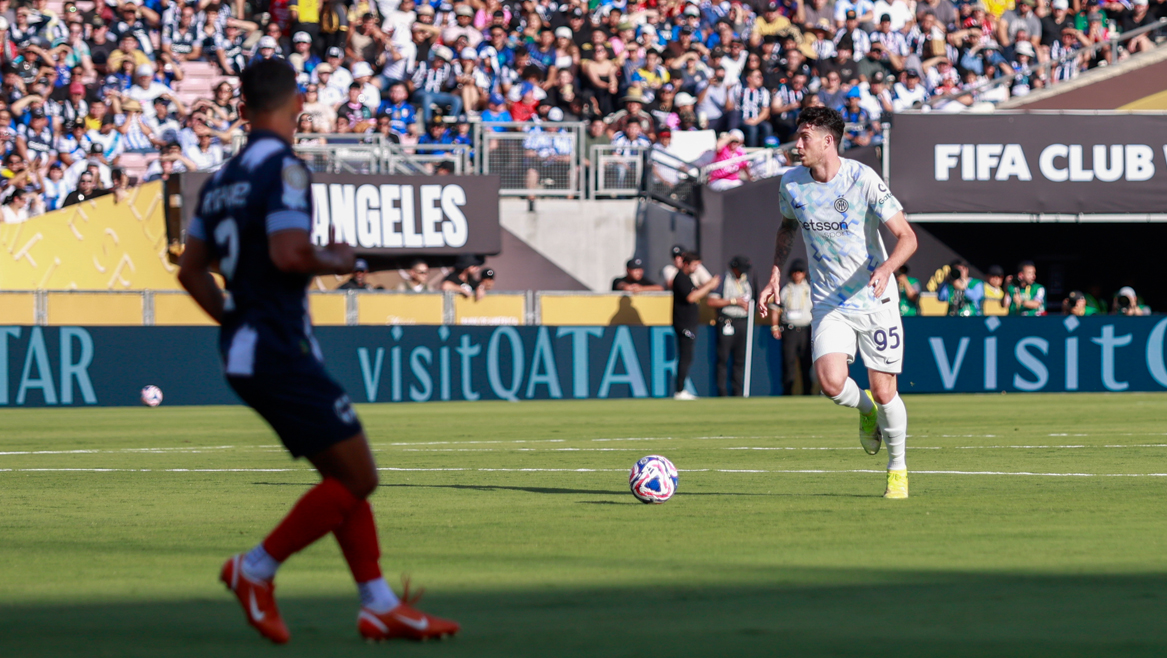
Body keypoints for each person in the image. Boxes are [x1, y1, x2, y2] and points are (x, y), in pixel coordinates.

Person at [176, 59, 459, 646]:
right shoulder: (285, 169)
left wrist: (234, 319)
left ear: (242, 107)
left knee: (341, 477)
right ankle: (254, 570)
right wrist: (340, 259)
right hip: (280, 346)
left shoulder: (220, 178)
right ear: (298, 102)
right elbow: (288, 254)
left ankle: (377, 603)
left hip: (248, 346)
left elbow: (190, 271)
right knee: (360, 476)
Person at [758, 106, 918, 499]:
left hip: (875, 299)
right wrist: (776, 272)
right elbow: (787, 226)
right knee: (830, 382)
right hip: (829, 300)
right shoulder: (792, 184)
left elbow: (907, 237)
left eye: (804, 138)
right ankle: (866, 414)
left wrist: (887, 268)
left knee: (885, 391)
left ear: (827, 141)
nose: (797, 146)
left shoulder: (862, 179)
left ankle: (897, 468)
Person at [672, 252, 721, 401]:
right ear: (686, 264)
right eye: (694, 265)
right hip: (683, 323)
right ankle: (679, 390)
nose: (696, 268)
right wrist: (710, 286)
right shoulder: (680, 277)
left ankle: (681, 389)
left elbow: (694, 291)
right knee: (685, 357)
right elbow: (691, 297)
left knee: (688, 356)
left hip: (689, 323)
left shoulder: (687, 279)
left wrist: (707, 285)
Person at [707, 255, 753, 397]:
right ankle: (722, 392)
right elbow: (711, 302)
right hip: (727, 321)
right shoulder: (723, 281)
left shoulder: (747, 281)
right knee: (723, 358)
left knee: (740, 360)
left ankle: (738, 392)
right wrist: (734, 301)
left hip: (743, 322)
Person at [773, 259, 814, 396]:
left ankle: (807, 392)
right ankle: (787, 392)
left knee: (806, 362)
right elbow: (775, 309)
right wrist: (774, 326)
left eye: (800, 272)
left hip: (805, 330)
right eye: (795, 272)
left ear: (804, 274)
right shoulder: (785, 289)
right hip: (789, 330)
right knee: (788, 362)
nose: (797, 274)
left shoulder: (809, 289)